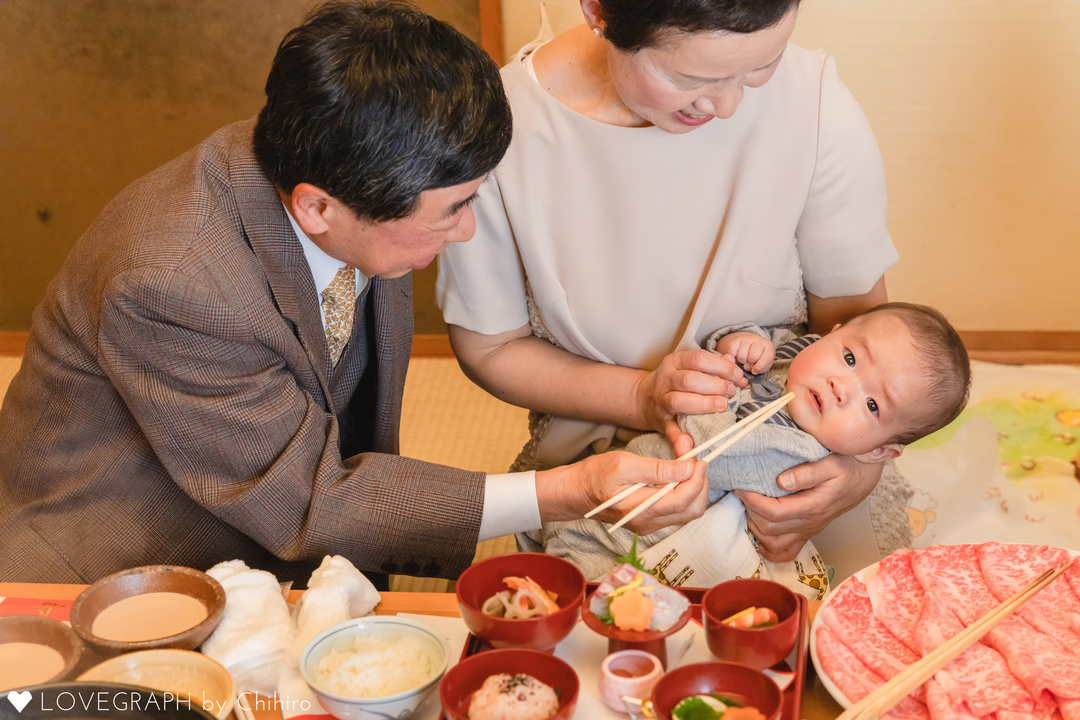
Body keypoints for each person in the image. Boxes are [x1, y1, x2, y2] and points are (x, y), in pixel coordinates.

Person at [0, 1, 711, 586]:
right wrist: (572, 488)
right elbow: (310, 499)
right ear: (318, 209)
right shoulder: (174, 286)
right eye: (450, 210)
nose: (465, 231)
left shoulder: (347, 164)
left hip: (282, 525)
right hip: (117, 569)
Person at [437, 0, 899, 564]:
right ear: (597, 10)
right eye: (691, 78)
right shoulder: (499, 129)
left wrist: (852, 471)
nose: (728, 105)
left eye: (761, 66)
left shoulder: (817, 103)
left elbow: (858, 329)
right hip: (599, 474)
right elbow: (492, 348)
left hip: (791, 457)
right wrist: (641, 396)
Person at [538, 303, 972, 599]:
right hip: (626, 475)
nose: (843, 387)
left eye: (873, 405)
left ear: (878, 453)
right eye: (851, 359)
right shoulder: (794, 354)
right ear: (830, 335)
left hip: (662, 537)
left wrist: (714, 397)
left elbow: (715, 450)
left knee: (598, 589)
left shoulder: (797, 454)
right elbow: (758, 339)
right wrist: (741, 342)